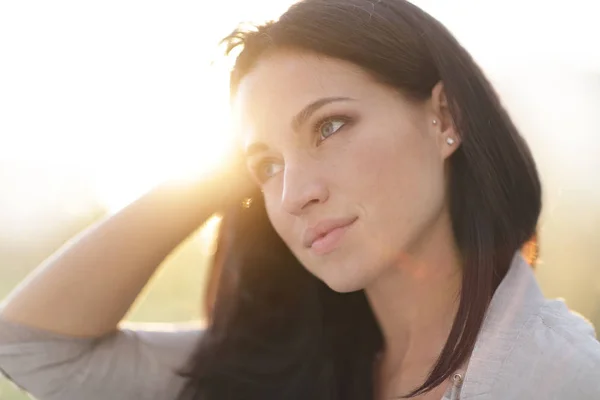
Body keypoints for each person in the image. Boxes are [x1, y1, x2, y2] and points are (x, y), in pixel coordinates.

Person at [1, 0, 599, 399]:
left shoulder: (561, 379)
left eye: (330, 126)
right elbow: (32, 347)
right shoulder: (281, 361)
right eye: (264, 168)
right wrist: (215, 178)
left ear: (445, 116)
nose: (293, 195)